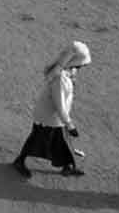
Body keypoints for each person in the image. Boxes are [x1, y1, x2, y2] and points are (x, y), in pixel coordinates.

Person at [13, 41, 90, 179]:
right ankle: (20, 161)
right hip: (50, 117)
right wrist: (70, 124)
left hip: (54, 117)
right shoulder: (59, 79)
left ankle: (68, 166)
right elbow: (59, 104)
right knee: (39, 140)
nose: (82, 66)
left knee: (60, 142)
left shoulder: (65, 72)